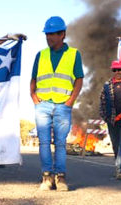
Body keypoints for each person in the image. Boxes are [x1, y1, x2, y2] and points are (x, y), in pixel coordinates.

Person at [30, 16, 84, 191]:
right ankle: (47, 177)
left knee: (60, 143)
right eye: (47, 34)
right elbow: (33, 78)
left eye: (52, 34)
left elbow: (79, 80)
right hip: (43, 104)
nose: (49, 38)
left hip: (63, 105)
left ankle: (60, 178)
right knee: (44, 142)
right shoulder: (41, 55)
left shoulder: (74, 54)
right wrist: (33, 96)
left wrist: (70, 101)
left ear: (63, 34)